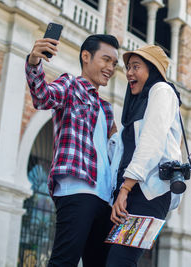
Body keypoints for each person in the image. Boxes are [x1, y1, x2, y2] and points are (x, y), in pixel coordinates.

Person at [25, 33, 119, 267]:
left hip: (105, 197)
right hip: (77, 189)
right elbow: (42, 97)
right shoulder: (70, 84)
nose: (110, 67)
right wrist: (34, 62)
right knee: (64, 262)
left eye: (114, 63)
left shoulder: (106, 109)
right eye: (106, 60)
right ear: (85, 57)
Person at [106, 45, 184, 266]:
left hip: (149, 195)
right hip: (131, 193)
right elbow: (126, 151)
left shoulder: (162, 90)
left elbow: (152, 142)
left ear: (152, 70)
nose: (129, 72)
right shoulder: (139, 104)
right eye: (128, 67)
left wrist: (125, 188)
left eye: (136, 67)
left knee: (120, 261)